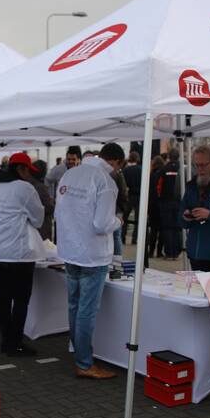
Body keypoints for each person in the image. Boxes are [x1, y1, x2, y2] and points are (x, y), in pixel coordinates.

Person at [55, 142, 125, 379]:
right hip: (93, 255)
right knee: (86, 310)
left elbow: (60, 213)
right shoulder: (106, 181)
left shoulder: (69, 174)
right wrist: (118, 221)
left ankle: (79, 353)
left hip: (70, 250)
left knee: (74, 306)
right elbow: (101, 224)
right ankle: (84, 363)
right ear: (115, 162)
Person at [0, 152, 45, 357]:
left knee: (3, 298)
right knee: (20, 299)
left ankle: (6, 340)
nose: (29, 175)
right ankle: (15, 342)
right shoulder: (25, 188)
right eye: (27, 171)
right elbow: (38, 220)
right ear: (20, 169)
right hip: (17, 253)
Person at [30, 159, 54, 241]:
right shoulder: (41, 187)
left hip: (33, 226)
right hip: (42, 227)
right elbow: (49, 207)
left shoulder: (29, 183)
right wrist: (52, 202)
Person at [123, 151, 143, 244]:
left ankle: (122, 236)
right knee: (138, 219)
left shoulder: (125, 170)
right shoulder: (141, 170)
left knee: (124, 218)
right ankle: (135, 238)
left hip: (129, 196)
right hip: (139, 196)